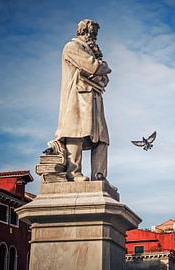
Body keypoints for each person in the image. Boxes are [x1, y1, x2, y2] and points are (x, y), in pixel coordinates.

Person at [55, 19, 111, 181]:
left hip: (95, 97)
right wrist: (102, 67)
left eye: (95, 34)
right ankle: (74, 172)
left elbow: (104, 79)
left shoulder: (92, 51)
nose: (93, 36)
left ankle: (99, 176)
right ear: (83, 31)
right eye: (92, 33)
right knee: (75, 133)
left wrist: (98, 74)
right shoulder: (72, 47)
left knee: (102, 138)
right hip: (77, 96)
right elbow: (94, 67)